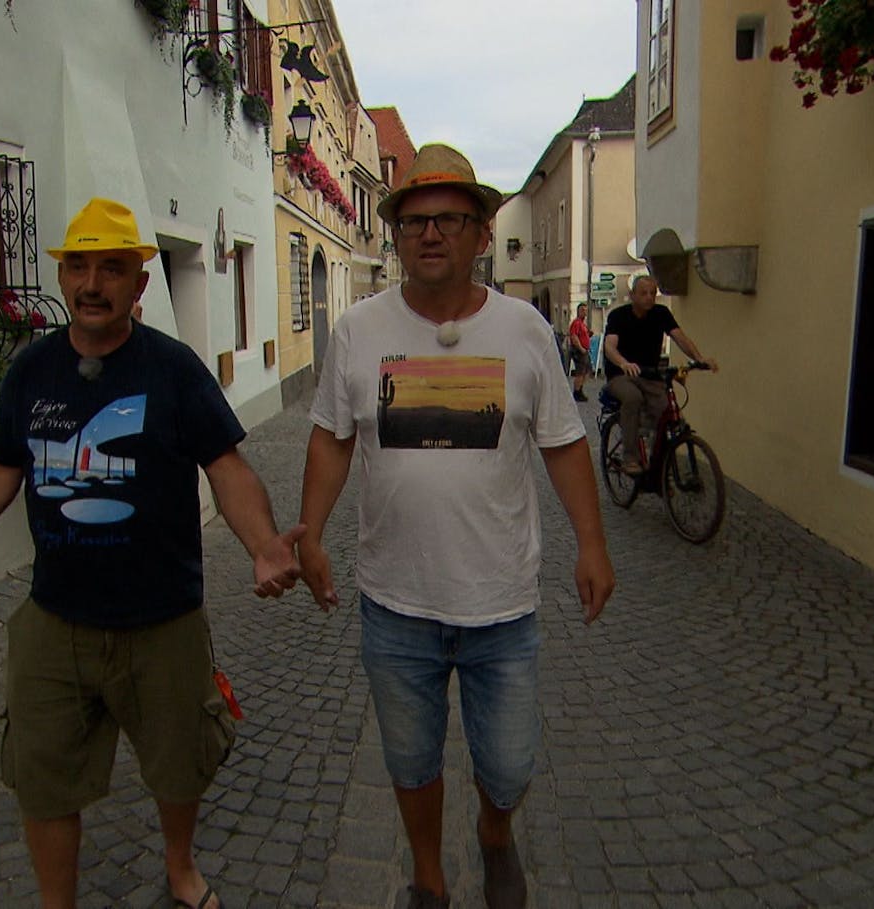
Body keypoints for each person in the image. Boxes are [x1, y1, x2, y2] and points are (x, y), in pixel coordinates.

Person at [0, 197, 305, 909]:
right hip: (55, 620)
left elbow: (227, 466)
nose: (93, 283)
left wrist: (260, 544)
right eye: (80, 267)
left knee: (180, 761)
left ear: (139, 285)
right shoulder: (32, 371)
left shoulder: (173, 368)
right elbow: (0, 471)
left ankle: (180, 868)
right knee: (42, 773)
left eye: (112, 268)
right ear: (62, 278)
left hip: (163, 617)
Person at [295, 144, 615, 909]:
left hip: (500, 605)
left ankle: (496, 833)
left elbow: (565, 443)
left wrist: (593, 543)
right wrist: (308, 531)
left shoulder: (525, 331)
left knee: (508, 766)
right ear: (396, 237)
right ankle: (428, 879)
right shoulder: (359, 330)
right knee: (410, 760)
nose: (429, 234)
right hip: (395, 602)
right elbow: (333, 437)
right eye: (413, 222)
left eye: (448, 219)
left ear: (480, 233)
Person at [601, 275, 719, 475]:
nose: (649, 297)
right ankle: (630, 457)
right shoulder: (618, 316)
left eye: (652, 293)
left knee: (668, 410)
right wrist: (624, 363)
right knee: (633, 398)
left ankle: (659, 466)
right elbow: (610, 347)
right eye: (644, 293)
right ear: (632, 296)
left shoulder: (661, 313)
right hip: (621, 375)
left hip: (650, 375)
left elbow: (680, 338)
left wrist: (700, 359)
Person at [567, 303, 592, 401]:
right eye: (582, 310)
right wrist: (581, 348)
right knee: (580, 372)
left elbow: (583, 335)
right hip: (579, 351)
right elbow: (574, 336)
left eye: (586, 310)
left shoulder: (583, 323)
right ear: (578, 311)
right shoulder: (576, 323)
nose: (584, 312)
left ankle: (580, 389)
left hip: (585, 350)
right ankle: (577, 392)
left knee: (587, 371)